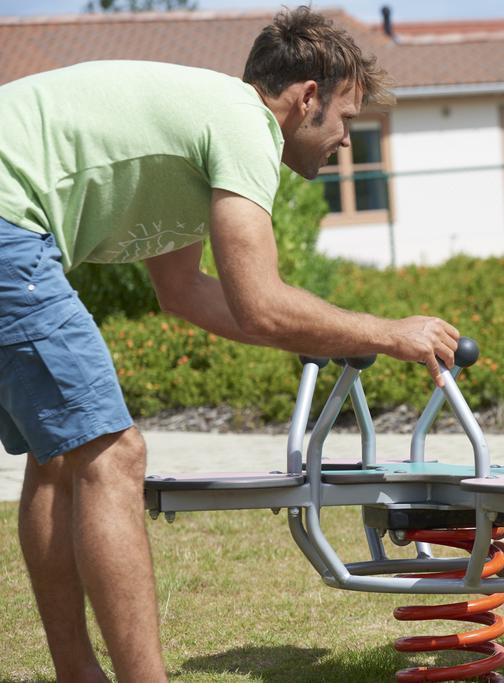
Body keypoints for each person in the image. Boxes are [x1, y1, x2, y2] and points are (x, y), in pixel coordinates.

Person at [0, 8, 459, 681]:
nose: (345, 144)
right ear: (307, 96)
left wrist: (326, 336)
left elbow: (184, 289)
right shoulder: (243, 122)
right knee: (114, 453)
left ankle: (79, 672)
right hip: (9, 221)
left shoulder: (200, 126)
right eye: (345, 121)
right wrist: (390, 333)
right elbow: (262, 304)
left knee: (61, 457)